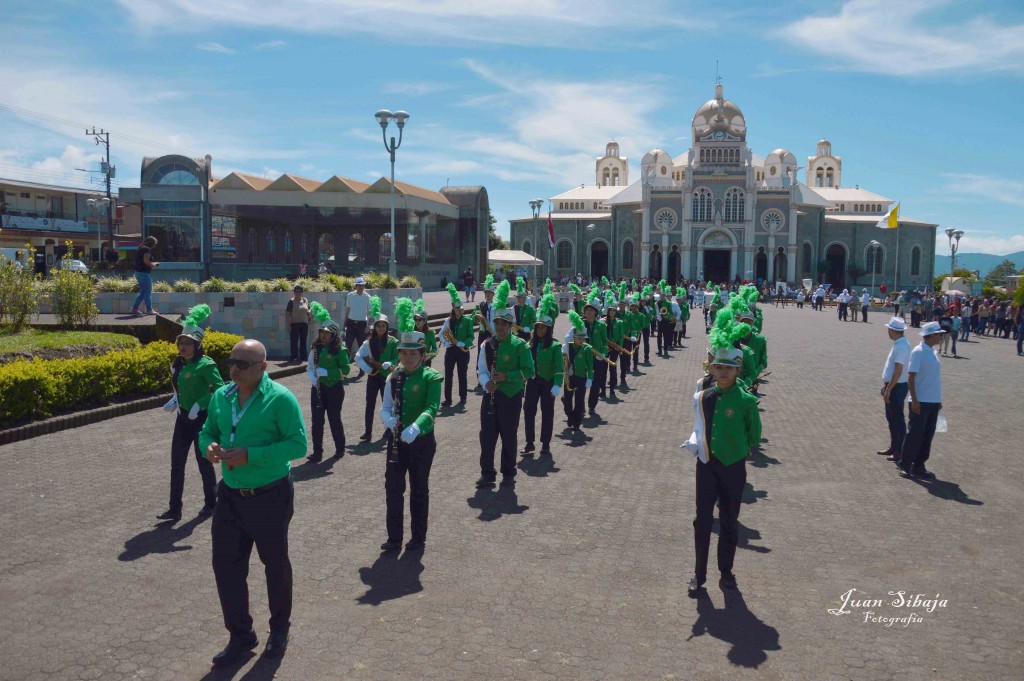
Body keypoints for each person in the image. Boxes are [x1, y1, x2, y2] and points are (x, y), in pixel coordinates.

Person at [200, 339, 307, 666]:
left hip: (269, 496)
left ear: (262, 367)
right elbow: (207, 432)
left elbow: (298, 445)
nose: (233, 369)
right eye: (231, 361)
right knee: (225, 566)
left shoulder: (281, 399)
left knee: (275, 565)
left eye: (242, 364)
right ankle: (241, 635)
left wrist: (252, 456)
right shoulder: (222, 396)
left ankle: (279, 629)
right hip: (231, 496)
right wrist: (210, 447)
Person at [682, 345, 762, 596]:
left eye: (729, 368)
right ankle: (699, 573)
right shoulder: (704, 396)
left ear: (738, 369)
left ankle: (726, 571)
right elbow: (700, 427)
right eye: (719, 367)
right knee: (702, 520)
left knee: (729, 520)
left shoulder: (747, 400)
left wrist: (737, 449)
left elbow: (754, 434)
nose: (723, 372)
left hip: (733, 468)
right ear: (712, 368)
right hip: (706, 465)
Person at [379, 303, 442, 553]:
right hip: (396, 441)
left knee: (419, 489)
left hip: (421, 442)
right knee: (393, 489)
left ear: (422, 354)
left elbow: (432, 407)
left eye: (412, 354)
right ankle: (394, 538)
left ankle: (418, 538)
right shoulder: (394, 376)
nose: (407, 358)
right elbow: (385, 406)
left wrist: (416, 427)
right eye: (404, 353)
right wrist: (388, 420)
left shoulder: (431, 377)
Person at [157, 304, 223, 522]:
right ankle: (174, 509)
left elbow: (219, 389)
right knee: (177, 464)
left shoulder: (206, 364)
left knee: (204, 462)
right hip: (183, 419)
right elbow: (182, 388)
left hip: (201, 420)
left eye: (187, 343)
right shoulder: (179, 364)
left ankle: (211, 503)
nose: (183, 346)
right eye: (180, 342)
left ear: (197, 345)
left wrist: (201, 404)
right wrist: (176, 400)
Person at [476, 305, 535, 488]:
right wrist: (486, 383)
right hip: (491, 395)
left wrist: (507, 376)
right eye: (497, 323)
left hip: (511, 397)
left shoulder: (521, 345)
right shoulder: (487, 344)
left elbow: (530, 371)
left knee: (509, 436)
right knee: (486, 436)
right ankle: (487, 473)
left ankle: (508, 473)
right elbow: (481, 370)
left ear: (510, 325)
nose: (500, 327)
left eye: (504, 324)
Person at [898, 322, 945, 479]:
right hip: (921, 401)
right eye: (938, 334)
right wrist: (915, 400)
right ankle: (905, 464)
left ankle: (919, 465)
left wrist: (938, 399)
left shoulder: (932, 351)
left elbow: (934, 379)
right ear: (930, 335)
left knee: (927, 435)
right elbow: (911, 377)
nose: (940, 336)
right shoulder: (918, 352)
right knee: (915, 435)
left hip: (932, 400)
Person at [307, 303, 350, 462]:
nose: (323, 335)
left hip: (334, 388)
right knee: (317, 422)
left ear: (333, 335)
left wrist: (328, 373)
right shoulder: (316, 347)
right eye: (321, 332)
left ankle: (340, 449)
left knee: (334, 419)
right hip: (318, 388)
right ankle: (317, 452)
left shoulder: (340, 349)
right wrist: (312, 377)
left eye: (327, 333)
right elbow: (310, 365)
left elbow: (346, 369)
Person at [521, 294, 562, 457]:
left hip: (548, 383)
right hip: (532, 381)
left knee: (547, 413)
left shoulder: (555, 345)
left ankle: (545, 443)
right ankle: (529, 443)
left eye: (543, 328)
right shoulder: (530, 344)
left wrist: (557, 384)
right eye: (538, 327)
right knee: (528, 412)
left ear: (549, 329)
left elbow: (559, 368)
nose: (540, 330)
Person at [355, 298, 398, 442]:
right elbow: (358, 356)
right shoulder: (369, 342)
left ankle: (388, 429)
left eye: (383, 326)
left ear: (387, 327)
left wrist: (389, 363)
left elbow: (397, 358)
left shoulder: (393, 342)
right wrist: (368, 369)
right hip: (373, 376)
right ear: (375, 327)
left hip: (387, 377)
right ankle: (368, 432)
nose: (381, 328)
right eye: (378, 326)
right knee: (370, 404)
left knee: (387, 404)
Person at [878, 317, 910, 462]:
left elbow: (898, 371)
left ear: (892, 330)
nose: (888, 332)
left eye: (888, 329)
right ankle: (894, 446)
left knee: (897, 420)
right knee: (891, 418)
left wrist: (889, 389)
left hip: (897, 386)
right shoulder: (899, 343)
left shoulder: (901, 346)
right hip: (893, 385)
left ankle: (900, 451)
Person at [440, 283, 475, 406]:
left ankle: (463, 397)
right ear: (453, 310)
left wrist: (463, 342)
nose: (459, 311)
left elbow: (471, 337)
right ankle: (448, 399)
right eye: (457, 310)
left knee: (462, 375)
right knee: (448, 375)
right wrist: (446, 343)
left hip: (462, 350)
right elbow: (441, 334)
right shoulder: (448, 321)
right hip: (450, 350)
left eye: (461, 309)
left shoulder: (468, 320)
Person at [561, 311, 593, 431]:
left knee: (579, 401)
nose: (581, 340)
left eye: (583, 338)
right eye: (578, 338)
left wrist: (590, 377)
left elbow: (590, 365)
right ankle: (570, 415)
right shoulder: (567, 348)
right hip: (569, 377)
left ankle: (577, 422)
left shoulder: (587, 349)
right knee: (568, 401)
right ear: (573, 338)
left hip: (581, 377)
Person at [344, 277, 371, 377]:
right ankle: (344, 369)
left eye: (362, 285)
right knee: (347, 347)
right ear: (356, 286)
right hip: (351, 323)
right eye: (359, 285)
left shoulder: (367, 297)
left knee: (361, 347)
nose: (361, 287)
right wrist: (344, 324)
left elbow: (369, 313)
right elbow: (347, 310)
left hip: (362, 324)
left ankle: (362, 369)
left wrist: (368, 325)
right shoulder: (350, 295)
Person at [130, 235, 160, 316]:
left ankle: (135, 308)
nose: (155, 246)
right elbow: (146, 261)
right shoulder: (146, 249)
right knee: (148, 291)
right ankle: (150, 310)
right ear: (151, 243)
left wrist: (152, 264)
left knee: (143, 292)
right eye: (154, 244)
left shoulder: (141, 248)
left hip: (138, 273)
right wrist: (153, 264)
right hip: (143, 273)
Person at [285, 285, 311, 363]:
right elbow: (287, 314)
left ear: (302, 293)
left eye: (300, 292)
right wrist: (288, 325)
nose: (298, 293)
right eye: (297, 292)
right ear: (294, 293)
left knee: (303, 341)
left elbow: (308, 310)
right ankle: (294, 357)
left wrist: (309, 313)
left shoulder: (305, 300)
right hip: (294, 324)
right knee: (294, 341)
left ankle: (304, 357)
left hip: (304, 324)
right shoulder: (291, 301)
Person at [412, 300, 437, 367]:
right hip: (413, 361)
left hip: (425, 362)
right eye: (416, 319)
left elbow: (435, 348)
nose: (417, 321)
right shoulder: (412, 331)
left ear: (424, 320)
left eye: (419, 319)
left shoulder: (430, 332)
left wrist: (429, 356)